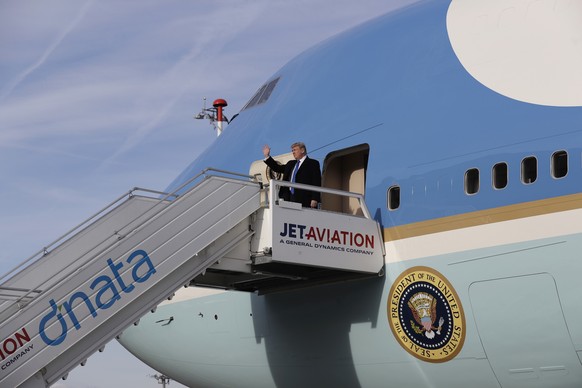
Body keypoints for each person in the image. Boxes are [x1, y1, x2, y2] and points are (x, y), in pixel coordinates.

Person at [263, 142, 321, 208]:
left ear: (302, 150)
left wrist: (315, 198)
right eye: (292, 150)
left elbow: (316, 181)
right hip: (288, 198)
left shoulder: (313, 163)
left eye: (295, 150)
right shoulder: (290, 164)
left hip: (304, 199)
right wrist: (267, 156)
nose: (293, 152)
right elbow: (277, 168)